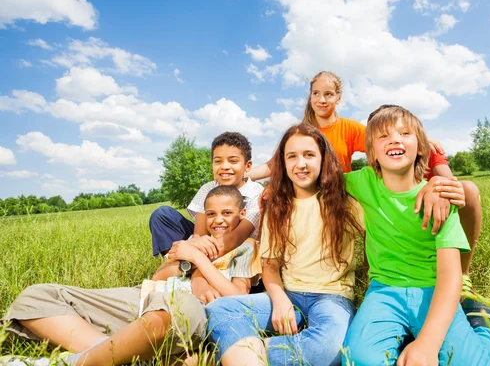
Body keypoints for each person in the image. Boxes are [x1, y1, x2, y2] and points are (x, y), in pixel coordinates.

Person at [248, 70, 480, 281]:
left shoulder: (351, 128)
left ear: (338, 98)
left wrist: (426, 151)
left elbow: (386, 142)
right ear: (310, 96)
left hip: (347, 192)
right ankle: (263, 270)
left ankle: (454, 273)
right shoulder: (303, 132)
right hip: (325, 190)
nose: (321, 99)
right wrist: (247, 175)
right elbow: (275, 165)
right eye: (316, 93)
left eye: (328, 94)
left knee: (375, 210)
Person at [1, 186, 260, 366]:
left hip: (181, 310)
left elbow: (237, 295)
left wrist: (199, 260)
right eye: (212, 214)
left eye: (227, 213)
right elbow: (158, 275)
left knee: (172, 308)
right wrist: (187, 257)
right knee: (36, 296)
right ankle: (119, 353)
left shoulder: (246, 247)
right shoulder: (193, 240)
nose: (219, 220)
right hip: (144, 297)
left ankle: (80, 361)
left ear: (242, 214)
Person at [343, 106, 490, 365]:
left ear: (421, 147)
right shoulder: (361, 182)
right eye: (383, 136)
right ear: (371, 153)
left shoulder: (440, 198)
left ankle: (486, 331)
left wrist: (429, 344)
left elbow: (450, 275)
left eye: (404, 133)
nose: (394, 139)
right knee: (358, 359)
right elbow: (316, 176)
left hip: (434, 289)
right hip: (383, 290)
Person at [205, 124, 364, 366]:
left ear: (324, 158)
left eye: (309, 155)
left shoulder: (347, 202)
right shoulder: (278, 207)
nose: (300, 163)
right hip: (288, 293)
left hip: (332, 297)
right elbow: (270, 267)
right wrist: (280, 301)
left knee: (329, 349)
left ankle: (236, 354)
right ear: (283, 163)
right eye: (292, 156)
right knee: (220, 309)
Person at [149, 132, 264, 261]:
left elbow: (235, 238)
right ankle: (177, 262)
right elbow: (200, 234)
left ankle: (183, 262)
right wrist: (194, 243)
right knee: (162, 215)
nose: (225, 167)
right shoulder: (208, 188)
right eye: (218, 161)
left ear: (247, 166)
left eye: (233, 161)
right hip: (209, 241)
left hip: (242, 249)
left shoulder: (257, 193)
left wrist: (191, 251)